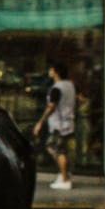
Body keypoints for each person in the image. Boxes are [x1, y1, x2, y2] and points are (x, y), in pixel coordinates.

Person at [33, 62, 76, 190]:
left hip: (59, 125)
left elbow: (51, 106)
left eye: (51, 69)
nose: (49, 71)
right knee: (60, 149)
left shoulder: (56, 88)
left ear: (56, 71)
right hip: (69, 122)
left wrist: (40, 122)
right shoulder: (70, 85)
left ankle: (65, 179)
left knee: (55, 149)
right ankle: (63, 174)